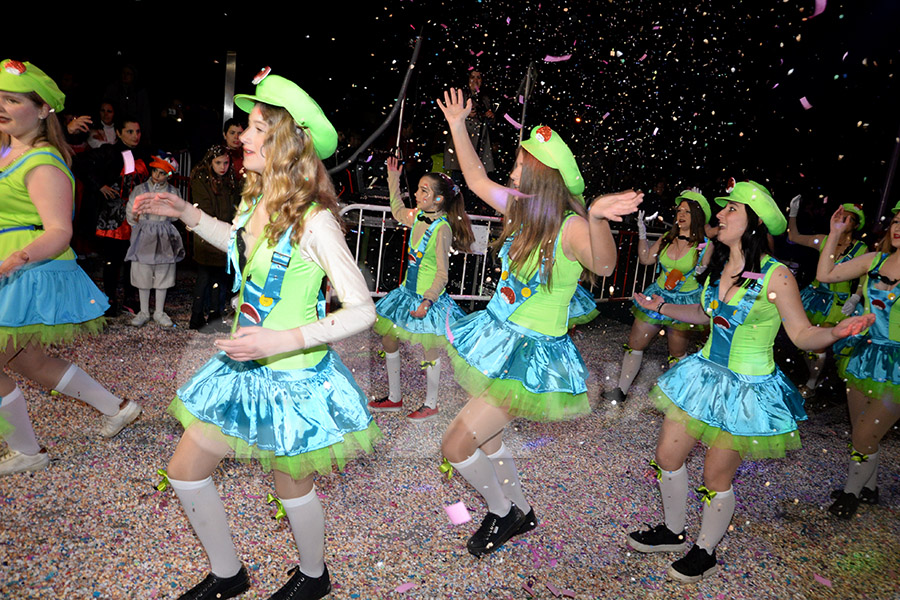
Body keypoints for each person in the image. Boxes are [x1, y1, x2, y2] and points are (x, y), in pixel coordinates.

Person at [135, 68, 378, 600]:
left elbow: (362, 311)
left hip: (292, 379)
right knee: (184, 471)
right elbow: (243, 248)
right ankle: (229, 573)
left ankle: (314, 576)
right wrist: (187, 213)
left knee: (292, 485)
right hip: (242, 368)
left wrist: (281, 340)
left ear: (288, 142)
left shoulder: (315, 222)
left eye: (257, 126)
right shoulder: (253, 199)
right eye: (246, 126)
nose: (242, 135)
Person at [626, 180, 874, 583]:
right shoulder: (720, 264)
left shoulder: (777, 278)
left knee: (714, 476)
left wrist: (836, 332)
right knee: (668, 459)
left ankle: (705, 550)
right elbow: (709, 316)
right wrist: (663, 305)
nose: (720, 215)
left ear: (754, 223)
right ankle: (672, 532)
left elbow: (801, 335)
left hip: (746, 389)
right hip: (702, 376)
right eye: (723, 209)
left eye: (731, 210)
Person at [437, 88, 642, 556]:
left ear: (540, 174)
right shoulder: (522, 210)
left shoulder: (571, 227)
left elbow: (607, 266)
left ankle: (501, 511)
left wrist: (596, 217)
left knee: (455, 446)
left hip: (530, 357)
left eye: (519, 165)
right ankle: (522, 510)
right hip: (498, 338)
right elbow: (473, 176)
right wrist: (457, 124)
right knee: (487, 439)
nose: (510, 172)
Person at [0, 59, 142, 476]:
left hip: (27, 268)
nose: (2, 107)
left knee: (22, 361)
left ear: (43, 110)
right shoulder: (8, 148)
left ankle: (27, 450)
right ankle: (118, 408)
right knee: (30, 362)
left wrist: (13, 260)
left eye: (13, 100)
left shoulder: (42, 161)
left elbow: (60, 231)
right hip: (14, 265)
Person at [368, 156, 475, 421]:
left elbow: (442, 273)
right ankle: (394, 398)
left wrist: (427, 301)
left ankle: (431, 403)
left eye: (423, 191)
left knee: (429, 349)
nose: (416, 194)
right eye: (417, 189)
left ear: (439, 199)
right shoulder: (417, 217)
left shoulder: (442, 229)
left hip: (428, 299)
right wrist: (393, 178)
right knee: (388, 338)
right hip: (406, 295)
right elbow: (396, 210)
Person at [816, 203, 900, 520]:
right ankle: (870, 487)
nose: (897, 227)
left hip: (897, 365)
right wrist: (834, 234)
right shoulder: (874, 260)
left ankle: (851, 494)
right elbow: (825, 274)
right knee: (862, 431)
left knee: (865, 435)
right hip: (864, 354)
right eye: (895, 221)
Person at [602, 190, 712, 403]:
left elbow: (705, 270)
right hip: (656, 297)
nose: (681, 215)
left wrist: (702, 265)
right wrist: (642, 233)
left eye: (687, 212)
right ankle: (621, 390)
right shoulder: (667, 238)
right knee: (635, 343)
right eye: (679, 210)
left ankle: (678, 398)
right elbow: (645, 259)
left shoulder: (705, 244)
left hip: (684, 301)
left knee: (677, 352)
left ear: (697, 216)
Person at [787, 195, 868, 397]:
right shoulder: (825, 240)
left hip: (837, 303)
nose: (844, 220)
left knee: (820, 341)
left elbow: (865, 276)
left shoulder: (861, 249)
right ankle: (815, 373)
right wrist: (793, 213)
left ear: (856, 225)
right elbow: (794, 236)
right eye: (842, 216)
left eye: (849, 218)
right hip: (815, 297)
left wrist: (856, 297)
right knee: (805, 338)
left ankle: (812, 382)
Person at [74, 114, 150, 316]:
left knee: (133, 260)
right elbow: (79, 163)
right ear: (118, 133)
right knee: (113, 260)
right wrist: (99, 186)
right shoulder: (110, 152)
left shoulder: (142, 153)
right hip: (114, 218)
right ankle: (110, 299)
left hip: (136, 216)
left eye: (138, 131)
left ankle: (128, 299)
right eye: (130, 132)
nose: (135, 136)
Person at [124, 152, 185, 327]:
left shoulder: (173, 192)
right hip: (144, 232)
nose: (158, 176)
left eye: (163, 173)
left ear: (169, 174)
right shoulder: (140, 189)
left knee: (163, 270)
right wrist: (136, 224)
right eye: (156, 171)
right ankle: (143, 311)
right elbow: (131, 208)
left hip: (164, 233)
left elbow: (177, 214)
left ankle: (159, 311)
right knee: (142, 270)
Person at [188, 144, 240, 331]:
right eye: (218, 162)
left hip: (222, 232)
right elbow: (204, 208)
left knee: (220, 277)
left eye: (226, 162)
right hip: (207, 234)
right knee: (204, 277)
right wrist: (219, 224)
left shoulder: (229, 180)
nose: (222, 166)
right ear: (210, 162)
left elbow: (234, 204)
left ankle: (214, 317)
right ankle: (197, 317)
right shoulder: (202, 179)